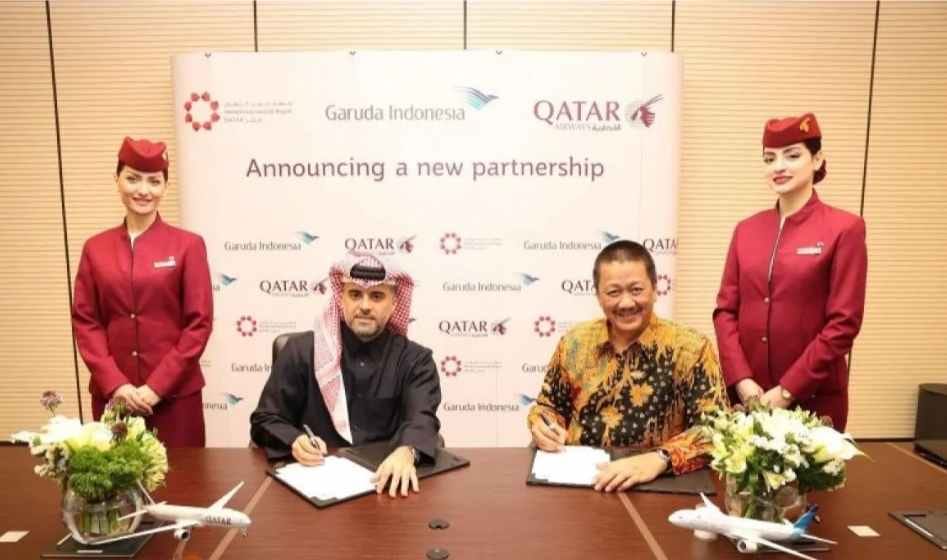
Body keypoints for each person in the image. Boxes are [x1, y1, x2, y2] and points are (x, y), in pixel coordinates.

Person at [527, 240, 727, 492]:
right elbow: (548, 407)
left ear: (655, 288)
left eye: (636, 290)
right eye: (613, 292)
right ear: (598, 296)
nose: (626, 303)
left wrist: (660, 458)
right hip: (583, 482)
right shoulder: (575, 343)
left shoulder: (691, 349)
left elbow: (715, 429)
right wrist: (543, 426)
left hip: (659, 483)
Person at [713, 113, 867, 431]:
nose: (778, 167)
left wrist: (787, 390)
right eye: (770, 159)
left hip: (814, 397)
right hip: (750, 397)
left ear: (817, 159)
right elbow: (725, 311)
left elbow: (844, 324)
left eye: (792, 155)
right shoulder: (746, 230)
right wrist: (741, 379)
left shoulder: (844, 228)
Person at [250, 252, 442, 498]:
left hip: (386, 486)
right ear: (341, 299)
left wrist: (407, 451)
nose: (365, 306)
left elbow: (421, 419)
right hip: (316, 488)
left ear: (394, 304)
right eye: (355, 294)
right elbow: (265, 419)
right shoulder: (302, 351)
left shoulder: (415, 361)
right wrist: (294, 440)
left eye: (377, 296)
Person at [72, 137, 213, 447]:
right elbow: (86, 322)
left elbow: (198, 324)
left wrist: (157, 387)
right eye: (133, 178)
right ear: (117, 179)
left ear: (165, 186)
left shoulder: (188, 245)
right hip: (114, 399)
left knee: (182, 475)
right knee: (115, 476)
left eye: (154, 181)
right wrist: (116, 384)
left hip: (175, 399)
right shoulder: (95, 248)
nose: (143, 190)